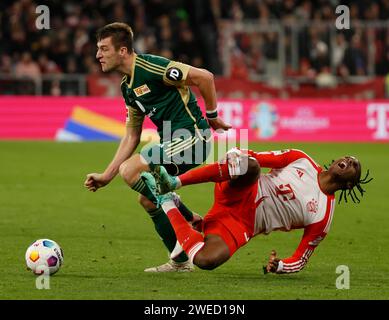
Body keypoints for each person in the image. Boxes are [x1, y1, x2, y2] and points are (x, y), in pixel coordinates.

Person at [84, 22, 231, 272]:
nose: (98, 55)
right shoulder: (126, 87)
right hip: (171, 144)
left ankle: (186, 216)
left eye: (103, 48)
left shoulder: (152, 66)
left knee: (130, 170)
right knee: (148, 200)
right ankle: (181, 259)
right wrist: (106, 176)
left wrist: (213, 114)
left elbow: (204, 77)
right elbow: (132, 135)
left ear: (122, 51)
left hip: (193, 138)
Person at [144, 147, 372, 273]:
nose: (349, 160)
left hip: (243, 224)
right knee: (250, 164)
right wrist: (237, 154)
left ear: (350, 184)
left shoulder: (323, 217)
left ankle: (168, 201)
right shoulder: (301, 160)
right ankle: (174, 182)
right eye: (348, 157)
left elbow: (301, 259)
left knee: (206, 260)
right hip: (243, 189)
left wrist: (281, 265)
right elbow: (257, 157)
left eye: (355, 165)